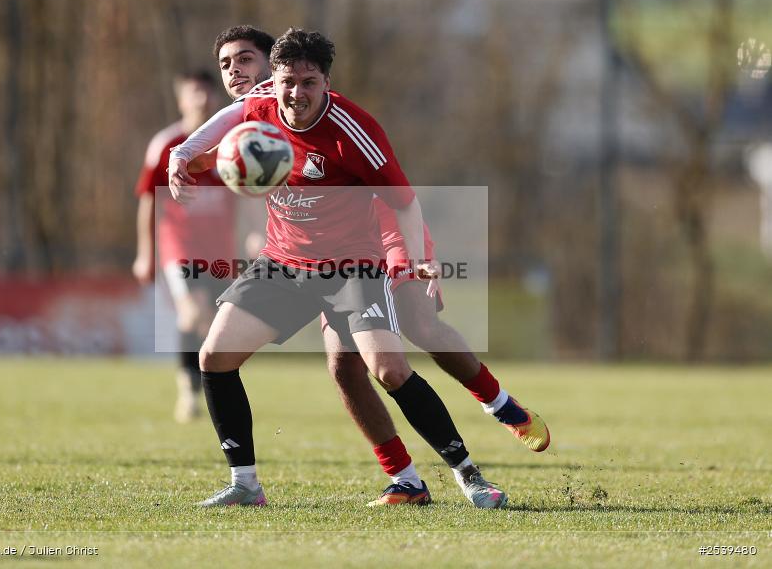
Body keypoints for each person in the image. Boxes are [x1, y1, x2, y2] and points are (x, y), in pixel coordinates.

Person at [178, 25, 550, 506]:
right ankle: (248, 484)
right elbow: (226, 140)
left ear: (326, 84)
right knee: (217, 358)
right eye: (287, 81)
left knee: (393, 363)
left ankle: (472, 470)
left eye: (308, 83)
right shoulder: (259, 109)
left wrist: (413, 262)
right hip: (285, 261)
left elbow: (404, 202)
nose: (295, 93)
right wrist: (188, 160)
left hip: (354, 264)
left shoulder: (353, 131)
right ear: (275, 79)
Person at [132, 70, 236, 423]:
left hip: (221, 250)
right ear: (181, 100)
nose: (202, 99)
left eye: (207, 93)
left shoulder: (232, 143)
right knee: (192, 312)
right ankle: (187, 389)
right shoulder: (166, 144)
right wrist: (146, 254)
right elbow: (148, 201)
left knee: (215, 323)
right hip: (180, 249)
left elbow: (247, 195)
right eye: (194, 93)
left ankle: (205, 386)